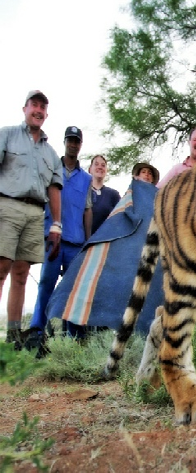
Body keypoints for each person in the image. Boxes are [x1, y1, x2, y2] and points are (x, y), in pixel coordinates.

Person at [0, 90, 63, 350]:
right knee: (1, 268)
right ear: (24, 108)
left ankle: (13, 336)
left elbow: (54, 189)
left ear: (46, 114)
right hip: (8, 205)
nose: (38, 110)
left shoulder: (51, 153)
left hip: (37, 213)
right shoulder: (7, 135)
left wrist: (56, 224)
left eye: (42, 107)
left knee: (22, 274)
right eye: (34, 105)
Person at [25, 126, 93, 355]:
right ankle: (37, 332)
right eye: (70, 140)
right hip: (53, 238)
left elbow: (87, 210)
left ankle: (75, 338)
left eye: (77, 141)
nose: (73, 144)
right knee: (46, 284)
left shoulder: (87, 179)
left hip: (76, 242)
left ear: (80, 145)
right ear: (65, 142)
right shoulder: (52, 169)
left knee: (75, 290)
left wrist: (88, 241)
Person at [88, 155, 120, 234]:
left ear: (106, 170)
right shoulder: (82, 192)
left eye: (103, 165)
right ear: (90, 169)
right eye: (96, 164)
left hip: (105, 242)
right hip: (82, 242)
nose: (100, 167)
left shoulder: (113, 194)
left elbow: (119, 220)